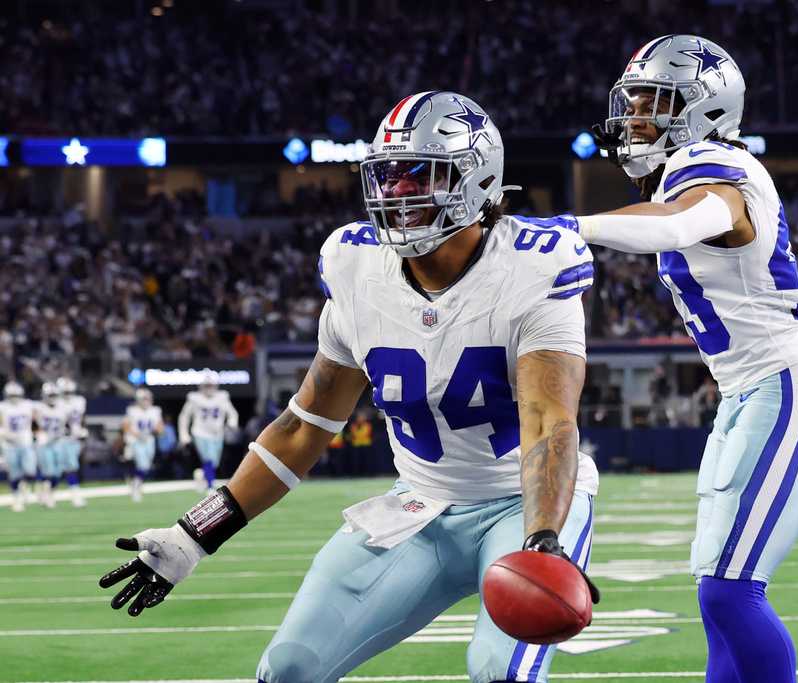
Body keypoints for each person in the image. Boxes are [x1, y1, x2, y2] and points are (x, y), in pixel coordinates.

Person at [100, 92, 603, 683]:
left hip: (521, 509)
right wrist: (194, 534)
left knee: (501, 672)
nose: (397, 195)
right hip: (420, 506)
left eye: (421, 177)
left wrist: (544, 539)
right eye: (388, 177)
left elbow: (549, 422)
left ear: (479, 183)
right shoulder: (355, 268)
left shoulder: (533, 267)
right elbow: (301, 428)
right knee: (289, 668)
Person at [590, 36, 798, 682]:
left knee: (732, 589)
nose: (635, 117)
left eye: (653, 102)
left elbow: (677, 225)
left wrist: (571, 227)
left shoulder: (711, 165)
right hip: (747, 391)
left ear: (702, 109)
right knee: (714, 585)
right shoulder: (691, 166)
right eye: (634, 103)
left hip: (787, 382)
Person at [178, 369, 239, 494]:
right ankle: (210, 486)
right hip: (200, 432)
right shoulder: (194, 398)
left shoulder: (222, 397)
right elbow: (184, 417)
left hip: (217, 433)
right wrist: (183, 434)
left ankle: (201, 474)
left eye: (210, 385)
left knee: (214, 462)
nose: (208, 388)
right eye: (206, 385)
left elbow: (232, 412)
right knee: (209, 459)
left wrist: (232, 422)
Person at [0, 381, 37, 512]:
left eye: (16, 394)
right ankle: (16, 498)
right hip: (9, 444)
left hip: (25, 442)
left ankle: (24, 486)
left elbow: (35, 420)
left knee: (30, 470)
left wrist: (37, 433)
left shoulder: (28, 405)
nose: (14, 397)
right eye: (12, 395)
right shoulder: (2, 407)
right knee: (14, 474)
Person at [122, 388, 164, 502]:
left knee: (146, 465)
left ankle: (136, 482)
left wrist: (159, 430)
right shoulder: (132, 410)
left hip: (149, 440)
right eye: (143, 399)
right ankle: (137, 485)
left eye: (147, 399)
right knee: (143, 464)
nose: (145, 401)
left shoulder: (155, 410)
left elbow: (160, 425)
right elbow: (125, 426)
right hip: (137, 440)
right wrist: (135, 433)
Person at [34, 381, 68, 509]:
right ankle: (48, 497)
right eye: (51, 395)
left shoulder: (62, 408)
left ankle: (46, 490)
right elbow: (31, 421)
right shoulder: (38, 407)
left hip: (57, 442)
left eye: (55, 395)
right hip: (44, 444)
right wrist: (37, 433)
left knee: (58, 473)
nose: (53, 397)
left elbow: (67, 423)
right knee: (49, 472)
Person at [56, 376, 89, 507]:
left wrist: (83, 429)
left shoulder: (79, 401)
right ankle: (47, 492)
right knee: (55, 470)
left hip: (73, 439)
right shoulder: (57, 403)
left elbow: (82, 417)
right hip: (58, 439)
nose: (68, 395)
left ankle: (75, 495)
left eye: (70, 392)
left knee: (72, 468)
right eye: (66, 392)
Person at [345, 411, 374, 476]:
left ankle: (367, 474)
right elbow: (350, 435)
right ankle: (357, 474)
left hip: (366, 445)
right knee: (356, 461)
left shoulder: (368, 425)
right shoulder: (353, 426)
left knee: (367, 461)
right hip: (356, 446)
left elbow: (372, 434)